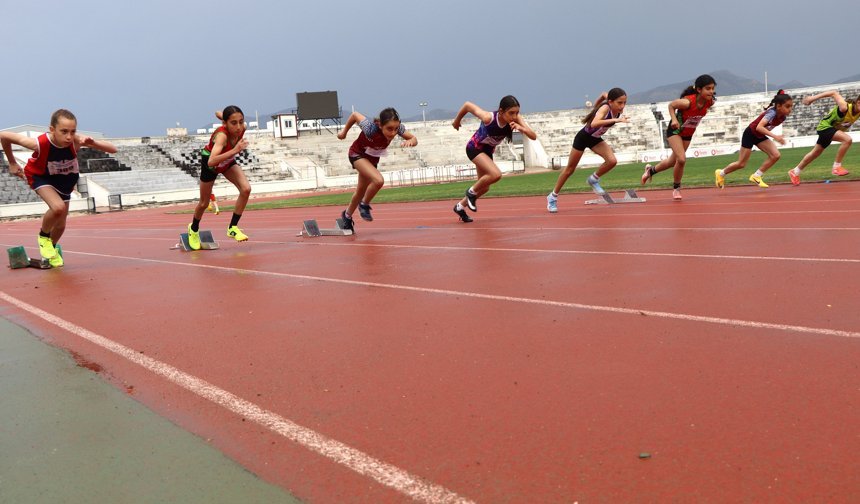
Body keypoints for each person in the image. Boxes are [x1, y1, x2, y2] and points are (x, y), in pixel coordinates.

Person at [1, 109, 116, 267]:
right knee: (58, 208)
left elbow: (113, 149)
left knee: (61, 226)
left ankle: (50, 250)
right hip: (41, 177)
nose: (69, 137)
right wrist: (13, 163)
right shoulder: (39, 143)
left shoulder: (75, 141)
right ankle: (43, 237)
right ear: (52, 130)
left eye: (72, 131)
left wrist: (92, 143)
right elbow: (4, 136)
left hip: (65, 183)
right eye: (64, 132)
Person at [452, 95, 537, 222]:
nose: (514, 116)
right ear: (501, 111)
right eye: (511, 113)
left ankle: (459, 207)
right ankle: (470, 192)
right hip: (474, 148)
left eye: (517, 113)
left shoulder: (516, 119)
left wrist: (521, 128)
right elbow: (467, 105)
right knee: (495, 174)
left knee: (485, 187)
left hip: (486, 152)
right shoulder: (489, 117)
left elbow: (533, 136)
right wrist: (457, 121)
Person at [547, 88, 629, 212]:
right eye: (619, 103)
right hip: (583, 138)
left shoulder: (613, 104)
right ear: (611, 102)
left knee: (612, 161)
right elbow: (594, 124)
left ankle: (593, 179)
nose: (622, 106)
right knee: (570, 170)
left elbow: (603, 94)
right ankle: (552, 197)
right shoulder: (606, 108)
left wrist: (595, 107)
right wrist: (615, 119)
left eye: (624, 102)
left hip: (595, 139)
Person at [337, 108, 417, 231]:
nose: (393, 133)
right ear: (380, 125)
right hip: (357, 154)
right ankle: (364, 205)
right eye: (389, 129)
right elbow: (354, 115)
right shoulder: (370, 128)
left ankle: (346, 216)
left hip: (372, 160)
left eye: (396, 129)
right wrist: (343, 133)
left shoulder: (398, 128)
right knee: (379, 180)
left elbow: (414, 139)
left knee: (360, 191)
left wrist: (411, 140)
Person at [641, 74, 717, 200]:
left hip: (688, 133)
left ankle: (650, 171)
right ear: (699, 90)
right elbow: (671, 105)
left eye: (712, 88)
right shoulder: (687, 102)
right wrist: (674, 119)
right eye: (708, 89)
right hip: (675, 131)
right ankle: (676, 188)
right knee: (681, 159)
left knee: (672, 162)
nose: (711, 91)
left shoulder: (710, 102)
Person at [187, 106, 251, 250]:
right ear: (225, 124)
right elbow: (212, 160)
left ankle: (233, 227)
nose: (239, 127)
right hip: (211, 164)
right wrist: (235, 150)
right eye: (234, 123)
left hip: (227, 162)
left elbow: (221, 114)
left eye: (241, 122)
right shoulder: (222, 136)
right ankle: (194, 229)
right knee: (204, 203)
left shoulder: (241, 127)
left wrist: (221, 115)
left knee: (246, 189)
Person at [715, 90, 794, 189]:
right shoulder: (771, 113)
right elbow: (759, 127)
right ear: (778, 106)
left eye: (791, 106)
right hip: (750, 133)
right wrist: (776, 137)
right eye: (787, 106)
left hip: (759, 136)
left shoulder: (782, 117)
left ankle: (756, 176)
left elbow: (765, 129)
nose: (790, 109)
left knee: (775, 155)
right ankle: (721, 173)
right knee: (741, 164)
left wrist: (777, 137)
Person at [788, 90, 860, 185]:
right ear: (858, 102)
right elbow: (833, 93)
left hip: (831, 130)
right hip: (825, 128)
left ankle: (795, 171)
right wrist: (812, 99)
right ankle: (836, 167)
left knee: (815, 153)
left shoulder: (858, 112)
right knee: (847, 140)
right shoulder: (844, 107)